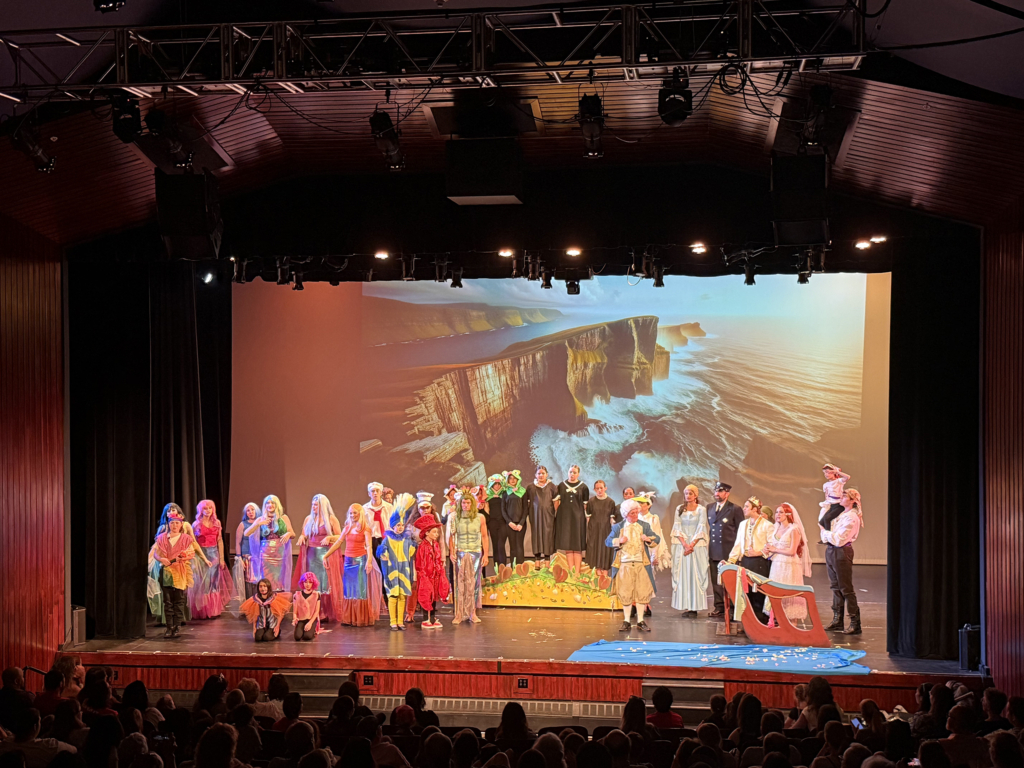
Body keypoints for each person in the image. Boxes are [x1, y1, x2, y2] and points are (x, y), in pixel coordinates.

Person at [325, 503, 383, 627]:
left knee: (360, 590)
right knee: (348, 590)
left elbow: (368, 546)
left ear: (360, 514)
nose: (352, 515)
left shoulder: (365, 529)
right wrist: (326, 555)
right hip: (348, 562)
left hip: (360, 561)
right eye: (350, 513)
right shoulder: (347, 528)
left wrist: (369, 561)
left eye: (355, 513)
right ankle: (349, 618)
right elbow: (338, 542)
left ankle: (360, 618)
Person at [607, 499, 660, 632]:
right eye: (632, 513)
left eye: (637, 512)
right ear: (626, 514)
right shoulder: (618, 527)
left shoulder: (644, 526)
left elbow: (656, 538)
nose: (636, 515)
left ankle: (641, 620)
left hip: (641, 564)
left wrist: (648, 539)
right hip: (624, 565)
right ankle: (626, 621)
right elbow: (607, 541)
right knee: (625, 592)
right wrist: (619, 540)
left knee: (641, 592)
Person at [148, 502, 205, 626]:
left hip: (180, 569)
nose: (174, 524)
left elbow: (192, 548)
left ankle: (177, 625)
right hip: (166, 568)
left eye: (173, 511)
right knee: (167, 599)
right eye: (168, 511)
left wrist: (201, 558)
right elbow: (156, 549)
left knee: (179, 598)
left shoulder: (185, 535)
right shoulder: (162, 534)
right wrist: (158, 559)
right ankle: (169, 625)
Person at [820, 488, 864, 635]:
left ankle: (855, 622)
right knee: (835, 586)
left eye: (845, 495)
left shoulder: (852, 517)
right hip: (831, 550)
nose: (841, 497)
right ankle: (837, 619)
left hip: (842, 551)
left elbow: (839, 539)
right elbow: (826, 531)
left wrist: (826, 534)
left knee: (845, 587)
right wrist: (827, 534)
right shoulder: (841, 514)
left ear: (852, 500)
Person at [295, 494, 344, 622]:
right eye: (313, 504)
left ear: (323, 506)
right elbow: (304, 534)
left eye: (316, 505)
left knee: (324, 582)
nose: (313, 507)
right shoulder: (308, 519)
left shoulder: (331, 519)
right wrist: (302, 537)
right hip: (312, 555)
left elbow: (340, 536)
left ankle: (324, 612)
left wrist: (330, 537)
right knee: (312, 582)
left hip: (325, 554)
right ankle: (313, 611)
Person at [764, 503, 813, 623]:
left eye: (781, 512)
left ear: (788, 514)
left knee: (789, 594)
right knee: (776, 591)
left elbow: (792, 551)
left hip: (789, 564)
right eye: (776, 512)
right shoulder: (775, 528)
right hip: (777, 565)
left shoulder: (793, 529)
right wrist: (768, 549)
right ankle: (780, 623)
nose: (778, 514)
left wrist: (775, 549)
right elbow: (772, 546)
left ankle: (793, 625)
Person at [726, 497, 773, 617]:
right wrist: (731, 560)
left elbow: (771, 545)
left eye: (747, 506)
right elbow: (738, 544)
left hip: (760, 562)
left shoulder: (767, 525)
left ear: (755, 509)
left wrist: (758, 553)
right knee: (746, 591)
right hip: (746, 561)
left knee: (758, 591)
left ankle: (760, 619)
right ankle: (749, 620)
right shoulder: (743, 524)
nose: (744, 509)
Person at [378, 493, 418, 631]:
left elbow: (410, 556)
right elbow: (383, 556)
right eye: (397, 525)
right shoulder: (387, 540)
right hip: (392, 571)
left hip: (404, 571)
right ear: (392, 526)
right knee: (393, 595)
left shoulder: (406, 540)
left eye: (402, 525)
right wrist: (385, 560)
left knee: (402, 596)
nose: (400, 527)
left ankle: (400, 621)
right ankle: (393, 621)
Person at [450, 491, 490, 624]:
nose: (466, 505)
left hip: (475, 552)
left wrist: (486, 554)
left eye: (468, 503)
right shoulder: (455, 517)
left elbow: (484, 536)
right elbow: (452, 536)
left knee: (474, 583)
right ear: (460, 504)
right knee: (460, 583)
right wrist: (451, 552)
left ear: (472, 504)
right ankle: (459, 614)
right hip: (460, 551)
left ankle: (472, 613)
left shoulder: (480, 517)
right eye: (463, 503)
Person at [189, 499, 233, 620]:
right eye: (205, 508)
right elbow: (193, 543)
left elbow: (220, 541)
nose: (208, 510)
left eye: (210, 508)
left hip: (214, 555)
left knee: (213, 582)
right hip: (201, 555)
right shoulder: (196, 524)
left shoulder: (217, 523)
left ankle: (213, 610)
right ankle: (202, 609)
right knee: (203, 582)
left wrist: (222, 559)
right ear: (201, 510)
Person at [670, 484, 710, 617]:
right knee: (683, 575)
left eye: (690, 493)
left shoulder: (701, 509)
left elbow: (701, 528)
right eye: (686, 493)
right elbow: (677, 527)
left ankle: (694, 607)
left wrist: (691, 544)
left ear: (696, 495)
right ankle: (686, 605)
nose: (688, 496)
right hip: (682, 546)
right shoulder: (679, 509)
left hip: (696, 546)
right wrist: (685, 544)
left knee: (695, 574)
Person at [706, 482, 742, 618]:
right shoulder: (709, 507)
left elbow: (740, 532)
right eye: (716, 491)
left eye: (720, 491)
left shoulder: (734, 509)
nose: (717, 494)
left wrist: (737, 553)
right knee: (716, 580)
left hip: (728, 551)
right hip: (714, 550)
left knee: (730, 581)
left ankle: (732, 607)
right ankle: (719, 606)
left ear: (727, 493)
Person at [245, 495, 295, 593]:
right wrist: (258, 524)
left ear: (277, 505)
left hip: (279, 553)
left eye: (272, 503)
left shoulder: (283, 518)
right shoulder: (261, 519)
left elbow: (293, 534)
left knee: (279, 579)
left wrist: (288, 534)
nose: (270, 505)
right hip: (266, 553)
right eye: (268, 503)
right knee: (266, 578)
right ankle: (266, 598)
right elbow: (246, 533)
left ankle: (277, 599)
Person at [0, 709, 76, 768]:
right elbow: (74, 750)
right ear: (35, 727)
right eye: (40, 722)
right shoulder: (51, 746)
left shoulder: (5, 745)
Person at [414, 515, 450, 629]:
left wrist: (440, 570)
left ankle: (433, 618)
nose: (436, 534)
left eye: (437, 532)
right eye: (434, 532)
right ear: (427, 533)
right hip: (426, 575)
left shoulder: (435, 544)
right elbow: (420, 563)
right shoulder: (422, 546)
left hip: (435, 575)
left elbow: (438, 559)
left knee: (434, 597)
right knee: (426, 595)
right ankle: (426, 619)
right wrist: (423, 575)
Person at [555, 465, 589, 573]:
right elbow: (557, 502)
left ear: (578, 474)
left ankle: (577, 572)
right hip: (565, 519)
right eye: (570, 472)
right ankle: (570, 571)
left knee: (577, 545)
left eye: (574, 472)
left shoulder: (583, 487)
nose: (572, 474)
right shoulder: (561, 485)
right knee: (568, 544)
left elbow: (585, 505)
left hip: (578, 519)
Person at [585, 480, 621, 575]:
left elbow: (612, 519)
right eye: (597, 488)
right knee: (594, 550)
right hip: (594, 530)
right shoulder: (591, 501)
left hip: (606, 530)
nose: (599, 490)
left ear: (605, 488)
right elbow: (588, 517)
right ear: (594, 489)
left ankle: (605, 575)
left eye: (601, 488)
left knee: (605, 550)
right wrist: (590, 531)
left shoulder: (610, 502)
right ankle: (597, 574)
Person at [526, 466, 558, 561]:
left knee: (548, 536)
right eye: (539, 473)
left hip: (548, 516)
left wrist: (552, 513)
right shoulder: (530, 487)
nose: (541, 475)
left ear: (546, 474)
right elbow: (528, 503)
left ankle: (547, 559)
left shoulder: (552, 486)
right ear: (535, 475)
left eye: (543, 473)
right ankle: (537, 560)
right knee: (536, 536)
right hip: (535, 516)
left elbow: (556, 502)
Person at [233, 503, 261, 603]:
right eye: (248, 510)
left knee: (258, 580)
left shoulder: (261, 523)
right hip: (246, 557)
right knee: (248, 582)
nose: (250, 512)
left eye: (252, 509)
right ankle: (249, 602)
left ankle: (259, 601)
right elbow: (238, 543)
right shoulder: (243, 525)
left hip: (258, 557)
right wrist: (239, 557)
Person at [364, 482, 394, 575]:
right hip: (371, 541)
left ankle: (385, 584)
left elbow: (392, 525)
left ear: (381, 493)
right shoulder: (365, 509)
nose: (375, 493)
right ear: (369, 494)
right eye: (373, 491)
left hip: (385, 539)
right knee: (374, 567)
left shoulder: (389, 507)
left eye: (377, 491)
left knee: (386, 567)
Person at [502, 470, 529, 566]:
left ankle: (520, 568)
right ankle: (513, 569)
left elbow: (526, 509)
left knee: (519, 546)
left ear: (518, 480)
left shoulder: (523, 491)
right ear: (507, 480)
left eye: (514, 478)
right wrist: (509, 522)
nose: (512, 480)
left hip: (521, 524)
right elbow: (503, 510)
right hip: (510, 524)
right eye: (510, 478)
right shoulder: (505, 493)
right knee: (513, 547)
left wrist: (521, 523)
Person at [484, 474, 507, 573]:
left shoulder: (505, 494)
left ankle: (503, 569)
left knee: (501, 545)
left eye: (499, 484)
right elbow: (486, 510)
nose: (497, 486)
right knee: (495, 545)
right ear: (491, 485)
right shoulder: (487, 495)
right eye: (495, 484)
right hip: (492, 522)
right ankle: (497, 569)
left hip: (503, 522)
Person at [819, 464, 851, 532]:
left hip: (839, 504)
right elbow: (827, 495)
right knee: (821, 522)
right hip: (832, 505)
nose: (826, 474)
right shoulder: (826, 485)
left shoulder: (838, 481)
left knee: (827, 519)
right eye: (825, 473)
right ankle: (826, 535)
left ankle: (828, 536)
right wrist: (826, 503)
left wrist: (837, 471)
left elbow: (847, 477)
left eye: (828, 472)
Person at [292, 572, 322, 641]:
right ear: (302, 583)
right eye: (305, 582)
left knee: (307, 636)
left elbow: (316, 611)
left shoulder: (316, 595)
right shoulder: (297, 595)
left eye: (310, 582)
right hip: (301, 619)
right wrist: (295, 618)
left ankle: (313, 630)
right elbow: (295, 612)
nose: (307, 584)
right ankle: (301, 629)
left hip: (311, 619)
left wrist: (310, 623)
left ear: (313, 583)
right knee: (297, 637)